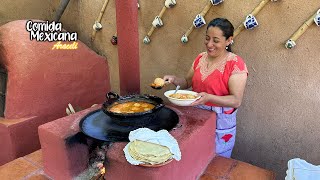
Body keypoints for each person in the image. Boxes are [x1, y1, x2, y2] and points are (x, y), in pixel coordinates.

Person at [163, 18, 248, 158]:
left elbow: (236, 100)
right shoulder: (200, 58)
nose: (209, 44)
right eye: (207, 38)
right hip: (196, 115)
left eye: (215, 40)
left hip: (221, 121)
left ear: (228, 40)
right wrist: (173, 79)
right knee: (196, 155)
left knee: (217, 160)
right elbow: (186, 82)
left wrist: (209, 98)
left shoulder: (235, 64)